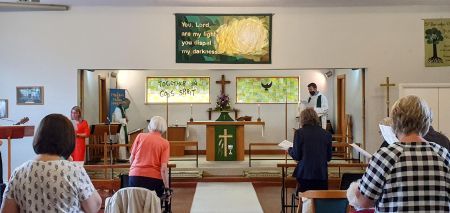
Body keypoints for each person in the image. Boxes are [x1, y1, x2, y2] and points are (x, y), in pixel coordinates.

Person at [356, 95, 450, 212]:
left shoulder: (386, 156)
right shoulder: (443, 154)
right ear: (426, 122)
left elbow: (363, 201)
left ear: (394, 122)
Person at [0, 114, 101, 213]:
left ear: (39, 136)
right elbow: (94, 206)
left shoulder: (19, 172)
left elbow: (6, 210)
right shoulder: (74, 170)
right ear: (68, 140)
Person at [288, 108, 332, 192]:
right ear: (316, 118)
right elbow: (329, 157)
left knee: (306, 201)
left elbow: (297, 156)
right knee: (320, 200)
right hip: (321, 174)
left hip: (305, 174)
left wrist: (289, 150)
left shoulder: (299, 133)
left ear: (302, 119)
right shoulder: (327, 134)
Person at [129, 116, 170, 197]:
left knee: (134, 204)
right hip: (154, 179)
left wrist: (136, 170)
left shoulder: (140, 136)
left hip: (135, 176)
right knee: (153, 205)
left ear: (150, 126)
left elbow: (131, 159)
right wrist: (167, 187)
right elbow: (163, 169)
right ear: (164, 128)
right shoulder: (165, 143)